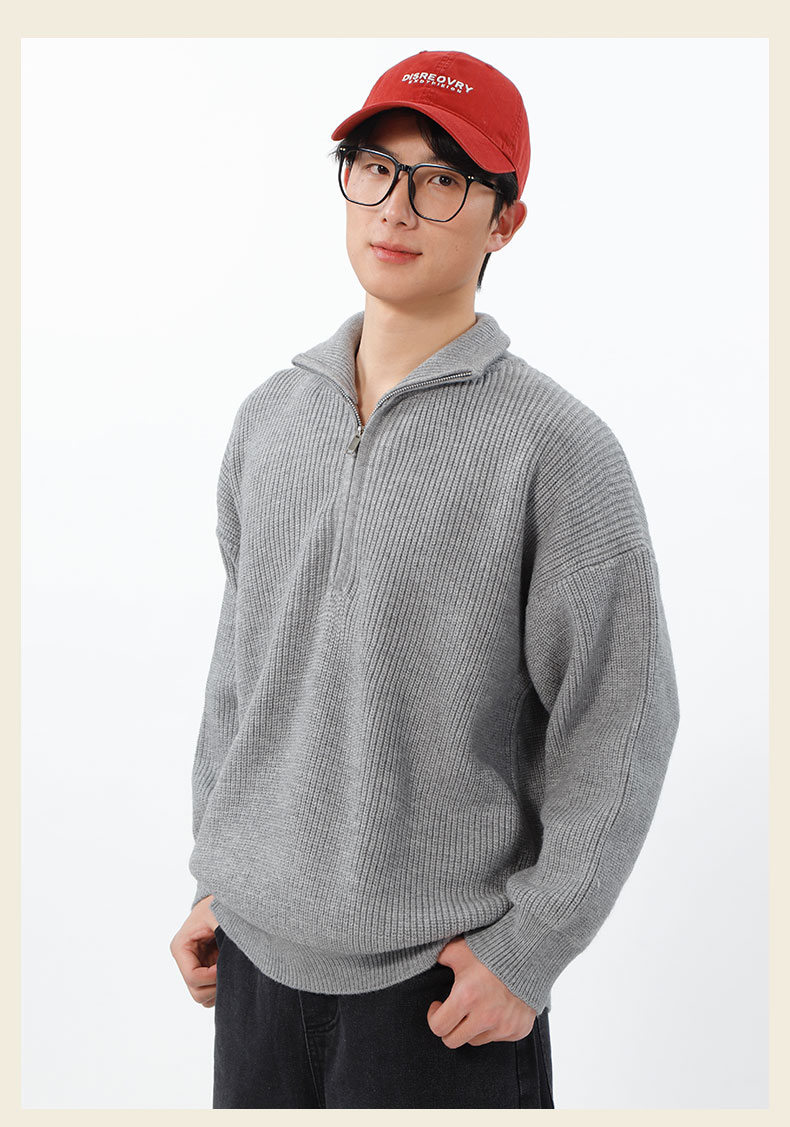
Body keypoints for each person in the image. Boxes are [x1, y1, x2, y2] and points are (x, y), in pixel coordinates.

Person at [169, 48, 680, 1110]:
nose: (397, 206)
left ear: (505, 221)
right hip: (252, 967)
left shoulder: (557, 449)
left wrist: (531, 949)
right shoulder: (269, 419)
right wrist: (217, 873)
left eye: (442, 178)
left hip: (440, 991)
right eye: (375, 167)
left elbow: (624, 716)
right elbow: (240, 675)